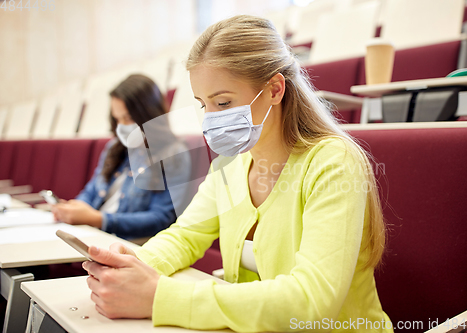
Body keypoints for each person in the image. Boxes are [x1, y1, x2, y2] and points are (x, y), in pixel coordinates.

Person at [82, 15, 392, 332]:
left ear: (274, 89)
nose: (210, 121)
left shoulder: (333, 162)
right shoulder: (230, 166)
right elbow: (185, 237)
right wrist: (133, 266)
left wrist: (160, 296)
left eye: (224, 102)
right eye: (204, 105)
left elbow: (311, 301)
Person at [52, 74, 191, 240]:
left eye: (129, 118)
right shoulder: (114, 147)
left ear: (151, 114)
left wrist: (98, 220)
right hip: (93, 234)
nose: (122, 127)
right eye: (118, 119)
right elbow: (91, 191)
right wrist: (75, 208)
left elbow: (161, 218)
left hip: (127, 243)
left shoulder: (173, 154)